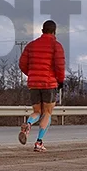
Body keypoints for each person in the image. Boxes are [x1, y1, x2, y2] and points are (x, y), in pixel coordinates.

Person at [18, 19, 65, 152]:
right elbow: (59, 66)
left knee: (37, 111)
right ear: (54, 31)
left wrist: (32, 74)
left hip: (34, 83)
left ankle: (28, 124)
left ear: (42, 30)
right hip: (49, 83)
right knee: (47, 113)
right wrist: (60, 81)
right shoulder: (56, 46)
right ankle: (39, 143)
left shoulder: (31, 45)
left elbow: (22, 64)